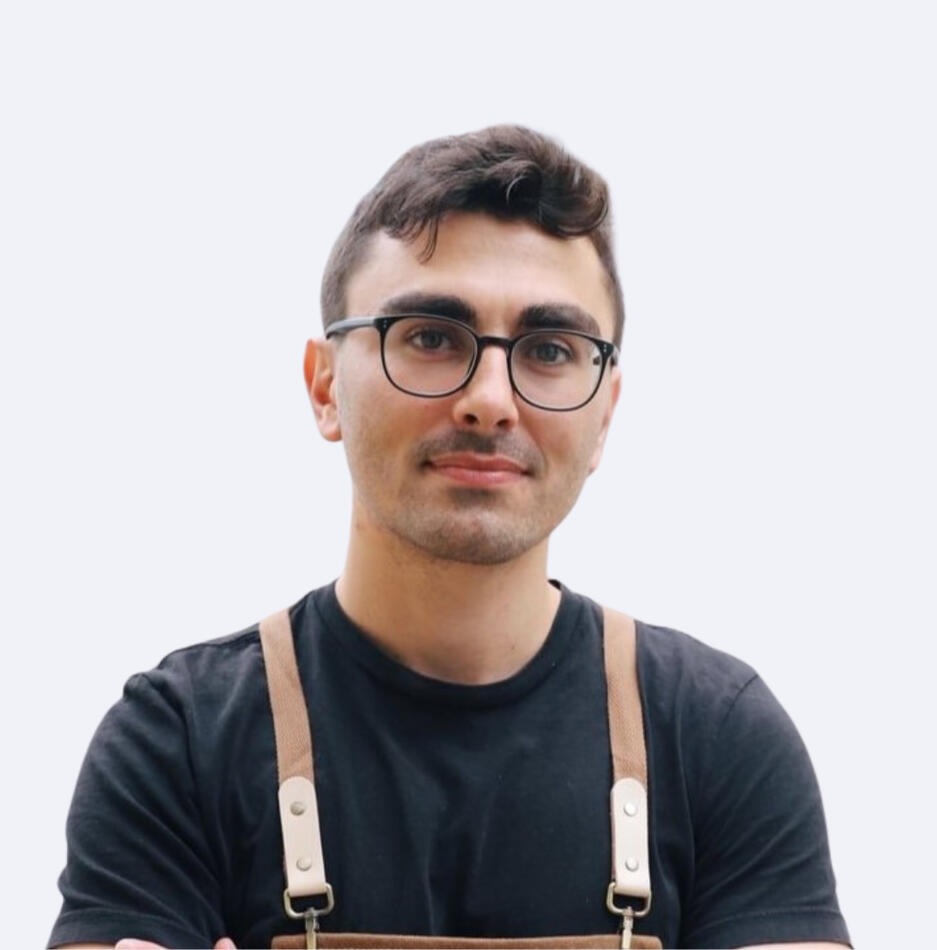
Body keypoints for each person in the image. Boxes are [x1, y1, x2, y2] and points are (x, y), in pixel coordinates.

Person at [49, 126, 850, 950]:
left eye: (549, 349)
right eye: (431, 337)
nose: (490, 400)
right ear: (324, 387)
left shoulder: (718, 739)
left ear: (605, 413)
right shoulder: (180, 740)